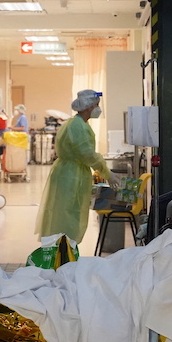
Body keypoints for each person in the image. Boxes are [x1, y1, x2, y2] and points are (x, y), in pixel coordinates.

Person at [34, 90, 113, 244]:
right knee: (68, 215)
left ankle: (64, 251)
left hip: (69, 173)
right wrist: (108, 173)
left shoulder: (75, 123)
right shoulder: (78, 127)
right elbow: (88, 154)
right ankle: (63, 252)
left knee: (64, 213)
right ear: (89, 107)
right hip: (71, 176)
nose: (98, 108)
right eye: (96, 105)